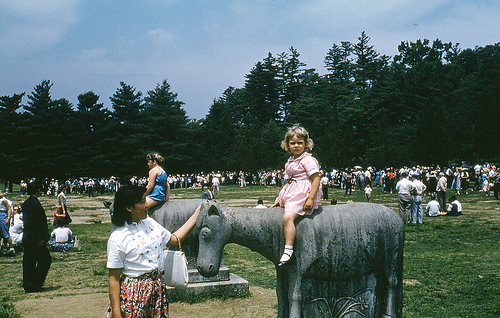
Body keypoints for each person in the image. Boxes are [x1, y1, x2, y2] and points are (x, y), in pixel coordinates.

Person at [107, 185, 201, 318]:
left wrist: (196, 215)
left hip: (157, 291)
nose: (146, 205)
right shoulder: (117, 238)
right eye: (141, 202)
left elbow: (174, 239)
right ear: (129, 208)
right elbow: (114, 279)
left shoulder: (150, 223)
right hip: (133, 295)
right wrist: (117, 313)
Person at [271, 126, 321, 267]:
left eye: (300, 142)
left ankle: (288, 249)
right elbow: (287, 182)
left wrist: (310, 198)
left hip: (302, 191)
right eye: (293, 143)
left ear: (306, 144)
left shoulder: (307, 160)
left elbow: (316, 179)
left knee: (288, 217)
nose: (296, 146)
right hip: (292, 190)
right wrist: (280, 197)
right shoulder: (290, 161)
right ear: (287, 145)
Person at [22, 180, 51, 293]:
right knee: (45, 260)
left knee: (29, 261)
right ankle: (34, 282)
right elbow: (40, 223)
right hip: (36, 238)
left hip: (27, 236)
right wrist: (42, 238)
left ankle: (27, 283)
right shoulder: (36, 204)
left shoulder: (25, 204)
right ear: (38, 190)